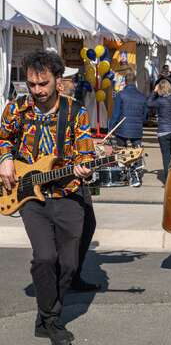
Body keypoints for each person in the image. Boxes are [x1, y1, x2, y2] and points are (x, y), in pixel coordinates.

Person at [0, 51, 95, 345]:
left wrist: (85, 169)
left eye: (43, 83)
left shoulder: (75, 111)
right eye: (32, 84)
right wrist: (4, 158)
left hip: (67, 192)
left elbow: (86, 153)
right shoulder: (17, 109)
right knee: (45, 257)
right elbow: (3, 137)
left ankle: (45, 316)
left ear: (58, 80)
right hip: (29, 196)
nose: (38, 90)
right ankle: (52, 319)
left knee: (68, 264)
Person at [57, 67, 101, 294]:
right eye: (71, 79)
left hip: (77, 176)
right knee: (72, 229)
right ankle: (64, 277)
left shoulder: (75, 108)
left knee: (87, 224)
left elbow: (80, 141)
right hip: (61, 179)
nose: (75, 82)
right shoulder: (63, 109)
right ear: (59, 83)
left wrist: (94, 149)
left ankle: (72, 275)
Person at [147, 79, 171, 183]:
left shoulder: (160, 101)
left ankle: (168, 181)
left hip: (163, 132)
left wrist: (154, 92)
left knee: (166, 156)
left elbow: (148, 103)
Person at [109, 71, 147, 151]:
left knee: (121, 153)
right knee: (137, 154)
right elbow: (144, 116)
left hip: (122, 129)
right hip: (137, 129)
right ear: (135, 81)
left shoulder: (120, 94)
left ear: (125, 82)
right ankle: (137, 163)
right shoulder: (142, 96)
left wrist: (111, 128)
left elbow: (116, 114)